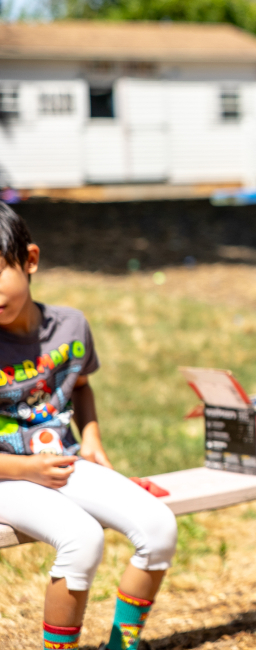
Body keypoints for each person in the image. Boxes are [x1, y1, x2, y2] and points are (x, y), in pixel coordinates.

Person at [0, 203, 178, 650]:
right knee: (82, 539)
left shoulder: (71, 326)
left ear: (30, 260)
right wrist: (26, 471)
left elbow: (79, 387)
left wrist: (92, 438)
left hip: (61, 464)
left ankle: (124, 645)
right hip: (7, 477)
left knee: (158, 527)